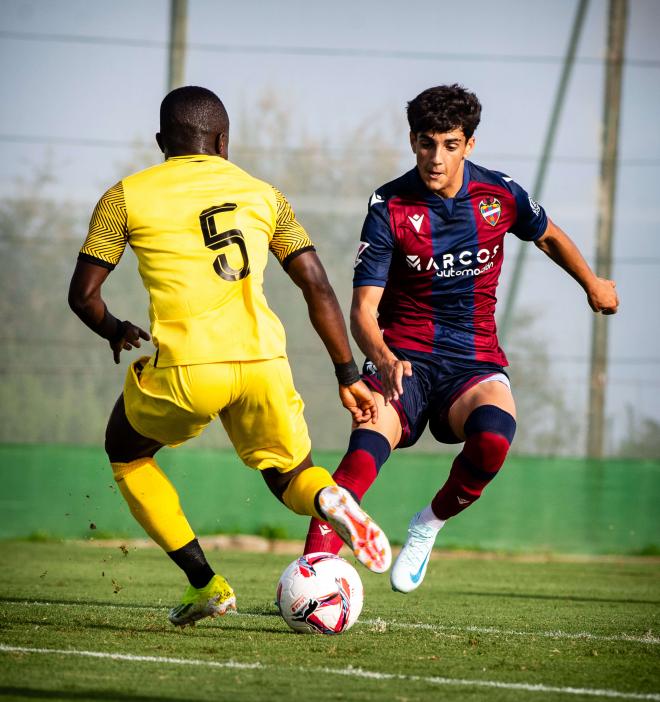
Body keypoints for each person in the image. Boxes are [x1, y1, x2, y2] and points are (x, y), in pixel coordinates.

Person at [68, 85, 391, 627]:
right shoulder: (265, 194)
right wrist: (344, 371)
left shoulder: (125, 196)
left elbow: (83, 296)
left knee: (125, 452)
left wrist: (115, 328)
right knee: (291, 477)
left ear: (160, 142)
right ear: (223, 141)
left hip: (187, 368)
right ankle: (331, 500)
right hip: (264, 361)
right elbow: (317, 286)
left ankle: (208, 585)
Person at [303, 83, 619, 593]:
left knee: (494, 438)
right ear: (412, 141)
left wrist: (592, 283)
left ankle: (427, 524)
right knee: (363, 451)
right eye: (426, 143)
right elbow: (363, 309)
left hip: (472, 364)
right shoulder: (389, 205)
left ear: (469, 144)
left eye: (449, 144)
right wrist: (381, 356)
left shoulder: (499, 194)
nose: (436, 157)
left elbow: (550, 235)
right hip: (402, 359)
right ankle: (311, 575)